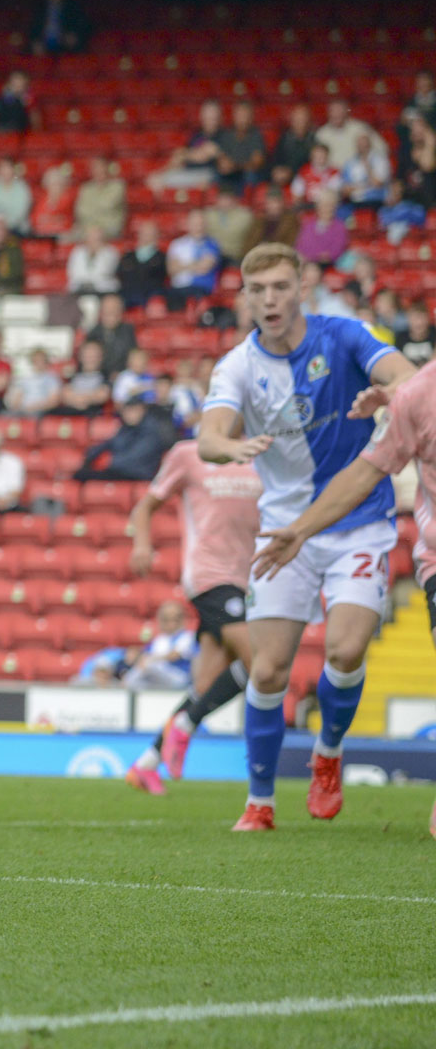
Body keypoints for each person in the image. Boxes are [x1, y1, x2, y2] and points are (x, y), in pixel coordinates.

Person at [199, 242, 416, 831]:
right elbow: (208, 435)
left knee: (346, 651)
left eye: (280, 287)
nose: (269, 300)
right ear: (245, 297)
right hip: (282, 529)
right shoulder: (239, 366)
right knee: (269, 671)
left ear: (302, 287)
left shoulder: (345, 336)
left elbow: (406, 375)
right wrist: (230, 447)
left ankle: (328, 752)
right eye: (258, 290)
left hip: (360, 520)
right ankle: (260, 800)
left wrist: (391, 391)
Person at [253, 357, 436, 836]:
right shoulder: (420, 395)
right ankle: (268, 793)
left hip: (369, 538)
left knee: (349, 649)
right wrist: (300, 530)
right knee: (279, 664)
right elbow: (364, 473)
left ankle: (327, 749)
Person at [124, 440, 262, 794]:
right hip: (210, 575)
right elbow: (145, 506)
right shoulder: (190, 453)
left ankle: (146, 765)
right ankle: (185, 725)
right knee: (262, 662)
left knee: (205, 684)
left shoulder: (263, 452)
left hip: (249, 577)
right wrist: (142, 544)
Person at [75, 399, 170, 480]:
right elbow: (109, 443)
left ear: (142, 411)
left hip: (137, 474)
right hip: (119, 471)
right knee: (81, 474)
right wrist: (88, 458)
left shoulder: (152, 432)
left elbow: (136, 456)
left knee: (86, 476)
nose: (129, 415)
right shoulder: (125, 428)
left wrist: (112, 464)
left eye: (133, 411)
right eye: (127, 411)